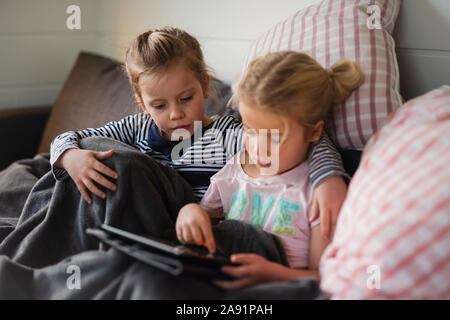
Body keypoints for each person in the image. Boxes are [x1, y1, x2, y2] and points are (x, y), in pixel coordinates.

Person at [50, 27, 349, 239]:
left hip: (188, 233)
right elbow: (74, 137)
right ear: (142, 104)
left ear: (205, 86)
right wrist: (69, 156)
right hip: (133, 225)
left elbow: (306, 137)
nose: (176, 114)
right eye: (159, 105)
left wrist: (328, 178)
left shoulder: (228, 134)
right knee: (99, 154)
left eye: (185, 98)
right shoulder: (137, 127)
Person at [175, 51, 364, 290]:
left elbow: (325, 278)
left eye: (274, 138)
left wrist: (276, 275)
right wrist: (190, 212)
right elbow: (207, 226)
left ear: (315, 132)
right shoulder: (235, 168)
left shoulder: (318, 195)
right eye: (250, 130)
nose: (258, 148)